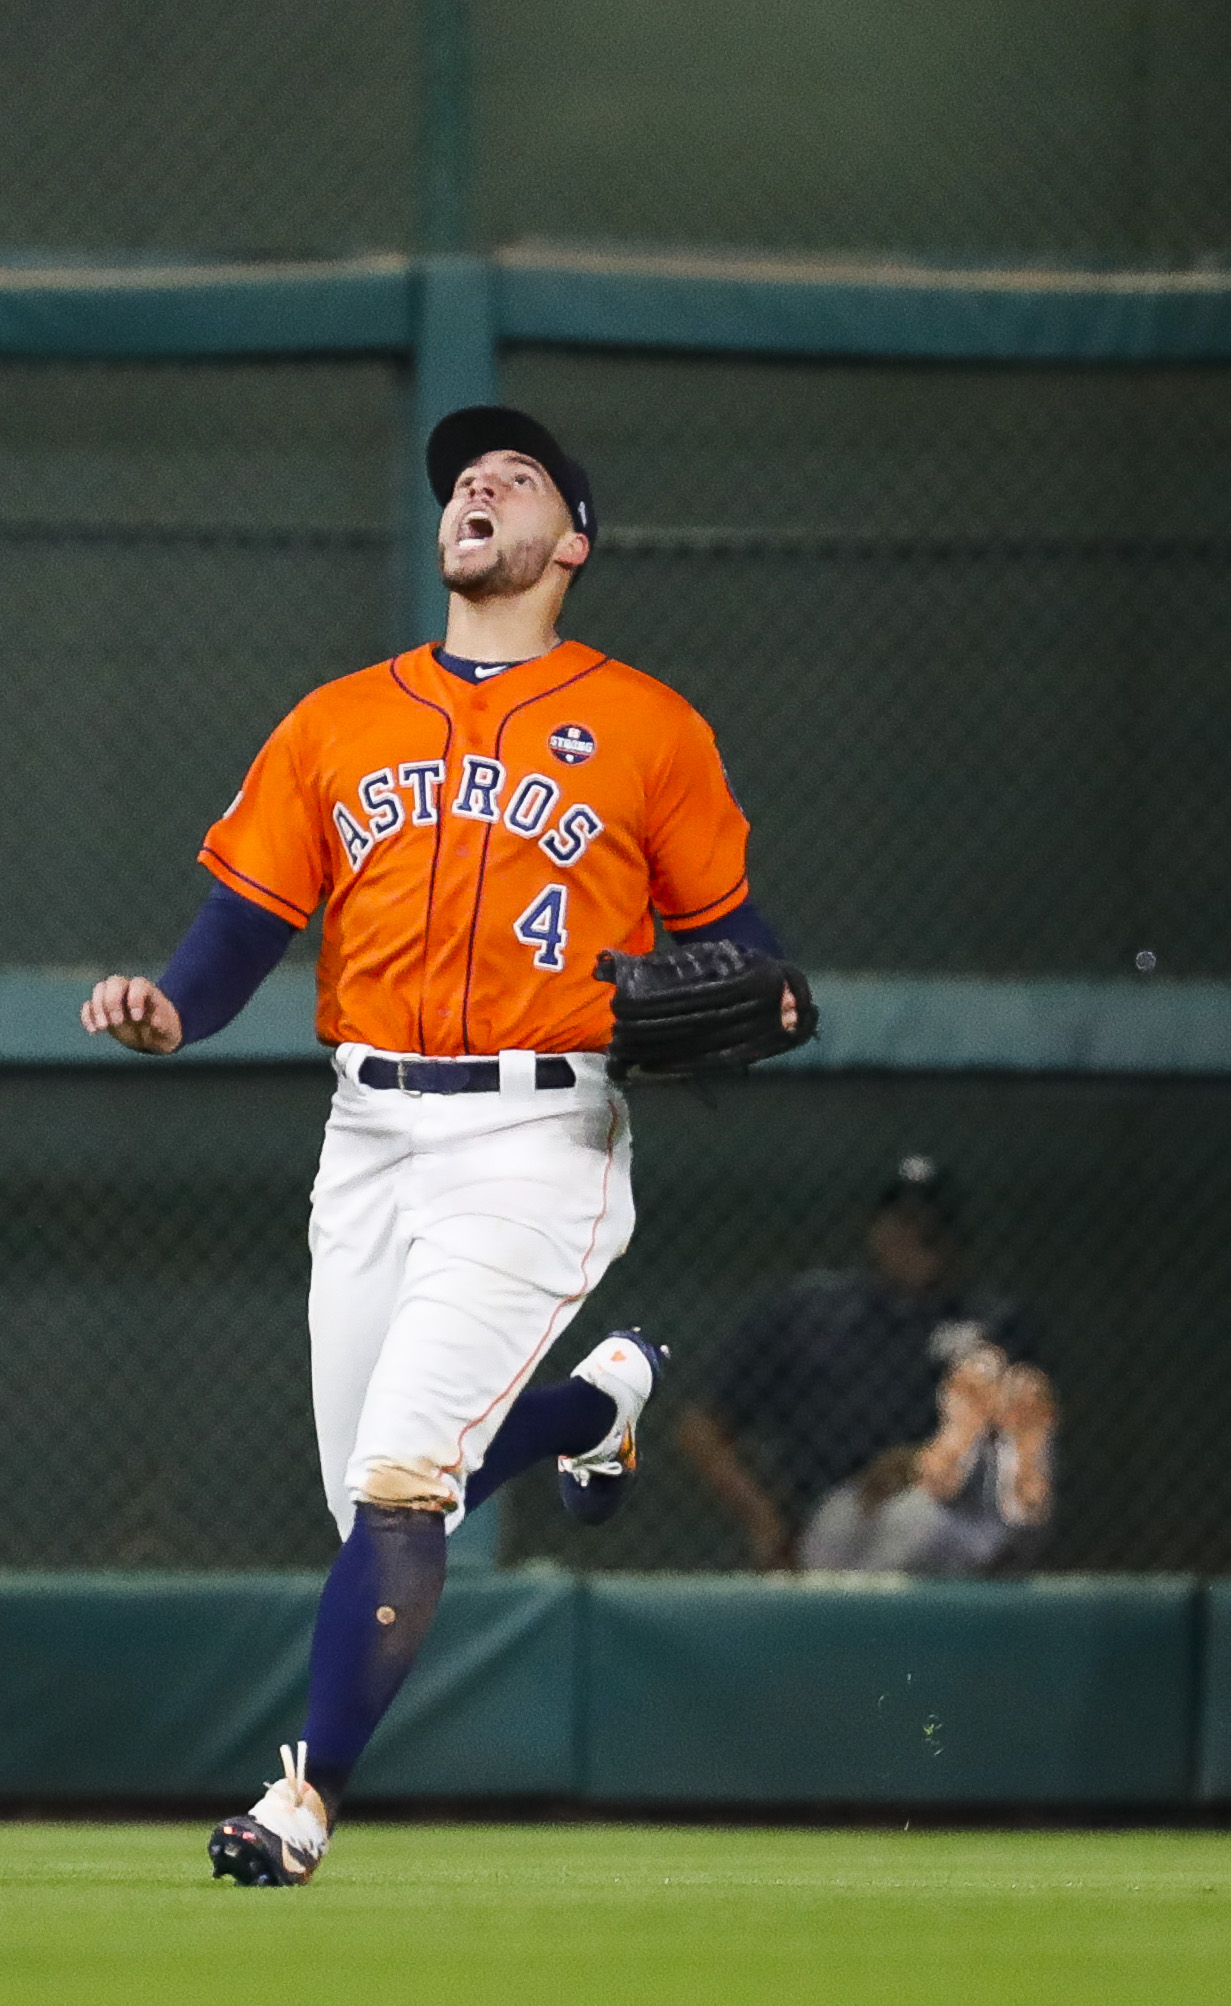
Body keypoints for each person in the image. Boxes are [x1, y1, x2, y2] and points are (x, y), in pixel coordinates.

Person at [81, 406, 801, 1887]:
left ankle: (301, 1801)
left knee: (406, 1475)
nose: (472, 486)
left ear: (571, 540)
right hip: (368, 1129)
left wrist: (770, 997)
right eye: (460, 480)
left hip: (539, 1131)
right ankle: (593, 1407)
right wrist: (170, 1007)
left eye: (511, 477)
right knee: (371, 1502)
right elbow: (237, 935)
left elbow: (742, 948)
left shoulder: (648, 726)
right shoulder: (338, 717)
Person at [678, 1156, 1057, 1575]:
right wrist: (764, 1520)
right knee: (844, 1532)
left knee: (915, 1521)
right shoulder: (811, 1312)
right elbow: (701, 1426)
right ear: (874, 1229)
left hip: (951, 1513)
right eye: (903, 1221)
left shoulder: (995, 1323)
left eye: (932, 1225)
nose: (917, 1235)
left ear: (955, 1238)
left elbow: (1026, 1439)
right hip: (837, 1513)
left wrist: (929, 1459)